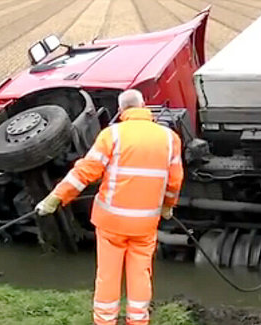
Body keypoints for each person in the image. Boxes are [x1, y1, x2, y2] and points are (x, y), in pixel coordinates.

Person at [35, 89, 184, 325]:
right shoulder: (169, 139)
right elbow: (174, 181)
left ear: (121, 110)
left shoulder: (111, 135)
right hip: (145, 224)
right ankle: (138, 320)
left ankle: (105, 321)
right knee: (141, 275)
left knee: (108, 275)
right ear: (144, 105)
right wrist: (168, 206)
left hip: (110, 222)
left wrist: (55, 198)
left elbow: (84, 173)